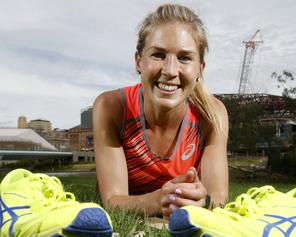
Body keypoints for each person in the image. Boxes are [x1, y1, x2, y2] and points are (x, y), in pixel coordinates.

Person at [93, 3, 229, 218]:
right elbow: (112, 200)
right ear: (139, 61)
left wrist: (201, 201)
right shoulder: (112, 107)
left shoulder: (211, 113)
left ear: (200, 69)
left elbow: (218, 197)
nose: (170, 70)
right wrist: (158, 201)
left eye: (184, 58)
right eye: (158, 55)